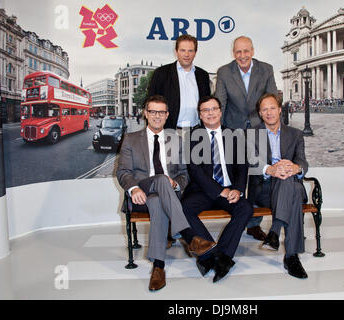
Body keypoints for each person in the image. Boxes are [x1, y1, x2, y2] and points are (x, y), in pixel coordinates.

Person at [116, 95, 216, 291]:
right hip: (141, 193)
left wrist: (177, 185)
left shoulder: (176, 140)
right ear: (145, 113)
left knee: (157, 201)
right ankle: (190, 236)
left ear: (167, 115)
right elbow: (123, 172)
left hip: (167, 196)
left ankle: (159, 267)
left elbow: (184, 174)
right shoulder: (131, 139)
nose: (157, 116)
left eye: (161, 112)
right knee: (161, 180)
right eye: (153, 111)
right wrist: (133, 188)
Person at [182, 96, 253, 283]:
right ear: (200, 115)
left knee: (245, 208)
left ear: (220, 111)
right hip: (202, 190)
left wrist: (237, 189)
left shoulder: (234, 135)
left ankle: (223, 256)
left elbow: (242, 166)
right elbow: (195, 171)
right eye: (205, 110)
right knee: (184, 209)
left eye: (213, 109)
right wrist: (219, 191)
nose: (210, 113)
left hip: (229, 190)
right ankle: (209, 253)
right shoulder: (192, 137)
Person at [214, 35, 278, 241]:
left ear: (253, 51)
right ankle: (238, 219)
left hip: (259, 128)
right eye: (238, 52)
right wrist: (218, 132)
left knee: (257, 177)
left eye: (246, 51)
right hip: (232, 129)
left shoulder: (266, 69)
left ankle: (253, 225)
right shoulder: (224, 72)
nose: (242, 56)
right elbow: (220, 103)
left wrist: (275, 129)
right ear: (234, 53)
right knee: (236, 177)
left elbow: (272, 100)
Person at [247, 93, 309, 279]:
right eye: (264, 109)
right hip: (264, 189)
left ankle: (275, 233)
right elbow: (250, 161)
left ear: (280, 109)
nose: (269, 112)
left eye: (272, 107)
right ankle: (291, 256)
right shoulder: (251, 135)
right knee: (294, 192)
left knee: (290, 183)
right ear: (260, 113)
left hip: (288, 184)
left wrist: (296, 168)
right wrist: (270, 169)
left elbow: (302, 161)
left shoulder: (295, 134)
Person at [147, 34, 211, 129]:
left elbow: (206, 105)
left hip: (197, 131)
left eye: (190, 50)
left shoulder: (203, 75)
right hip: (169, 131)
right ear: (176, 51)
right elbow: (150, 105)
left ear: (195, 52)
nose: (186, 54)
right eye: (182, 50)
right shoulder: (161, 73)